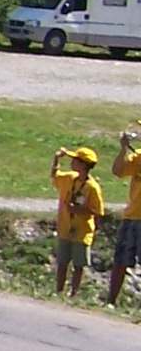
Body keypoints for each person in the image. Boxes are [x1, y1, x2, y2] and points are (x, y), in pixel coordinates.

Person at [51, 145, 108, 298]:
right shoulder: (69, 178)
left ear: (84, 165)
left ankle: (74, 293)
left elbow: (98, 211)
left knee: (78, 265)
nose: (72, 162)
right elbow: (55, 177)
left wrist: (78, 210)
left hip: (82, 232)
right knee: (62, 262)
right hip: (65, 227)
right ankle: (59, 291)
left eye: (75, 160)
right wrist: (56, 159)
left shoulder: (92, 187)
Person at [109, 128, 141, 307]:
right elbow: (117, 171)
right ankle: (111, 300)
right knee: (120, 260)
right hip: (132, 216)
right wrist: (123, 149)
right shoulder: (138, 157)